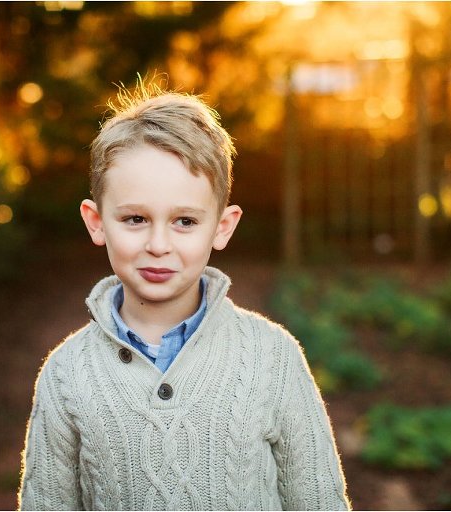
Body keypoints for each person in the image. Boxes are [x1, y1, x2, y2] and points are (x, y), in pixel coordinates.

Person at [17, 80, 350, 511]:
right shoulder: (66, 375)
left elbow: (320, 502)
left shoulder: (272, 358)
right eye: (135, 218)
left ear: (223, 226)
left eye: (185, 222)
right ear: (96, 221)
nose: (159, 243)